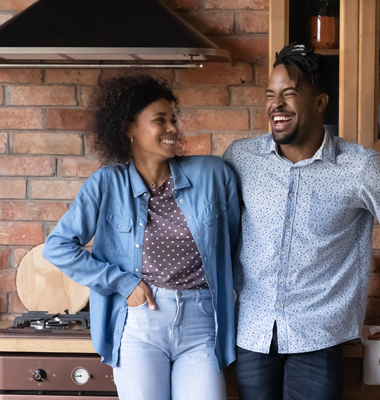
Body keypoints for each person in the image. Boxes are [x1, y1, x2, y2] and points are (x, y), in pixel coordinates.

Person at [43, 76, 240, 400]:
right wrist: (122, 283)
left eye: (173, 119)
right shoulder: (107, 183)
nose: (172, 128)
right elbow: (59, 246)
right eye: (159, 120)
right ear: (129, 129)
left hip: (202, 323)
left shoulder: (213, 173)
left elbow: (230, 244)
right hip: (139, 324)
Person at [223, 43, 380, 400]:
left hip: (320, 335)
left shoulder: (360, 168)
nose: (275, 105)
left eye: (289, 94)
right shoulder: (241, 158)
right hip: (253, 331)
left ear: (320, 102)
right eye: (270, 94)